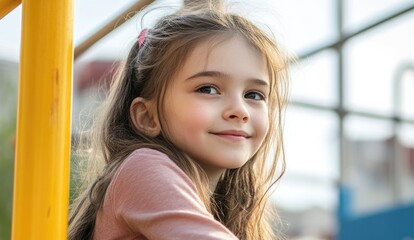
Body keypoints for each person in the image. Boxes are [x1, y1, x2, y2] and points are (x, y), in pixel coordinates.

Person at [68, 2, 291, 239]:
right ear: (147, 116)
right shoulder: (142, 168)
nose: (240, 110)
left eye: (254, 95)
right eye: (208, 89)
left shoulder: (225, 210)